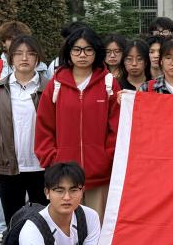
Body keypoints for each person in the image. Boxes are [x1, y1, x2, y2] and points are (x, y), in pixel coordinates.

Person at [34, 27, 119, 221]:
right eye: (77, 50)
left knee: (98, 226)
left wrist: (107, 157)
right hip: (64, 178)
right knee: (68, 228)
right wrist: (53, 159)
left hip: (100, 175)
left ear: (96, 52)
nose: (82, 55)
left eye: (88, 50)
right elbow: (43, 126)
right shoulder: (56, 84)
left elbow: (117, 127)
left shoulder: (108, 83)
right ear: (69, 51)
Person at [0, 20, 40, 242]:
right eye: (18, 53)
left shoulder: (47, 86)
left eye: (29, 53)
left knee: (42, 220)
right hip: (7, 161)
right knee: (13, 220)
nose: (24, 58)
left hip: (40, 164)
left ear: (37, 58)